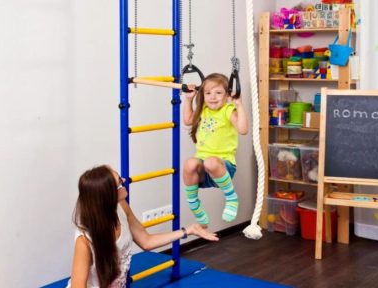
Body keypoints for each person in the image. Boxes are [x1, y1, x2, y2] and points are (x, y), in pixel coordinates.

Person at [67, 165, 218, 288]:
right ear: (107, 196)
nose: (124, 179)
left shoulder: (122, 207)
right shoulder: (85, 240)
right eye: (119, 181)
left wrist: (188, 230)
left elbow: (146, 241)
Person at [182, 73, 249, 226]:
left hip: (224, 167)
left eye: (218, 93)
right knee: (190, 163)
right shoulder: (203, 110)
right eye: (208, 93)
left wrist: (239, 105)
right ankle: (194, 205)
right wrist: (188, 99)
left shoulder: (227, 110)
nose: (213, 97)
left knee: (211, 162)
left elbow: (243, 129)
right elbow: (187, 120)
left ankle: (231, 198)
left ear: (227, 95)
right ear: (203, 95)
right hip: (203, 171)